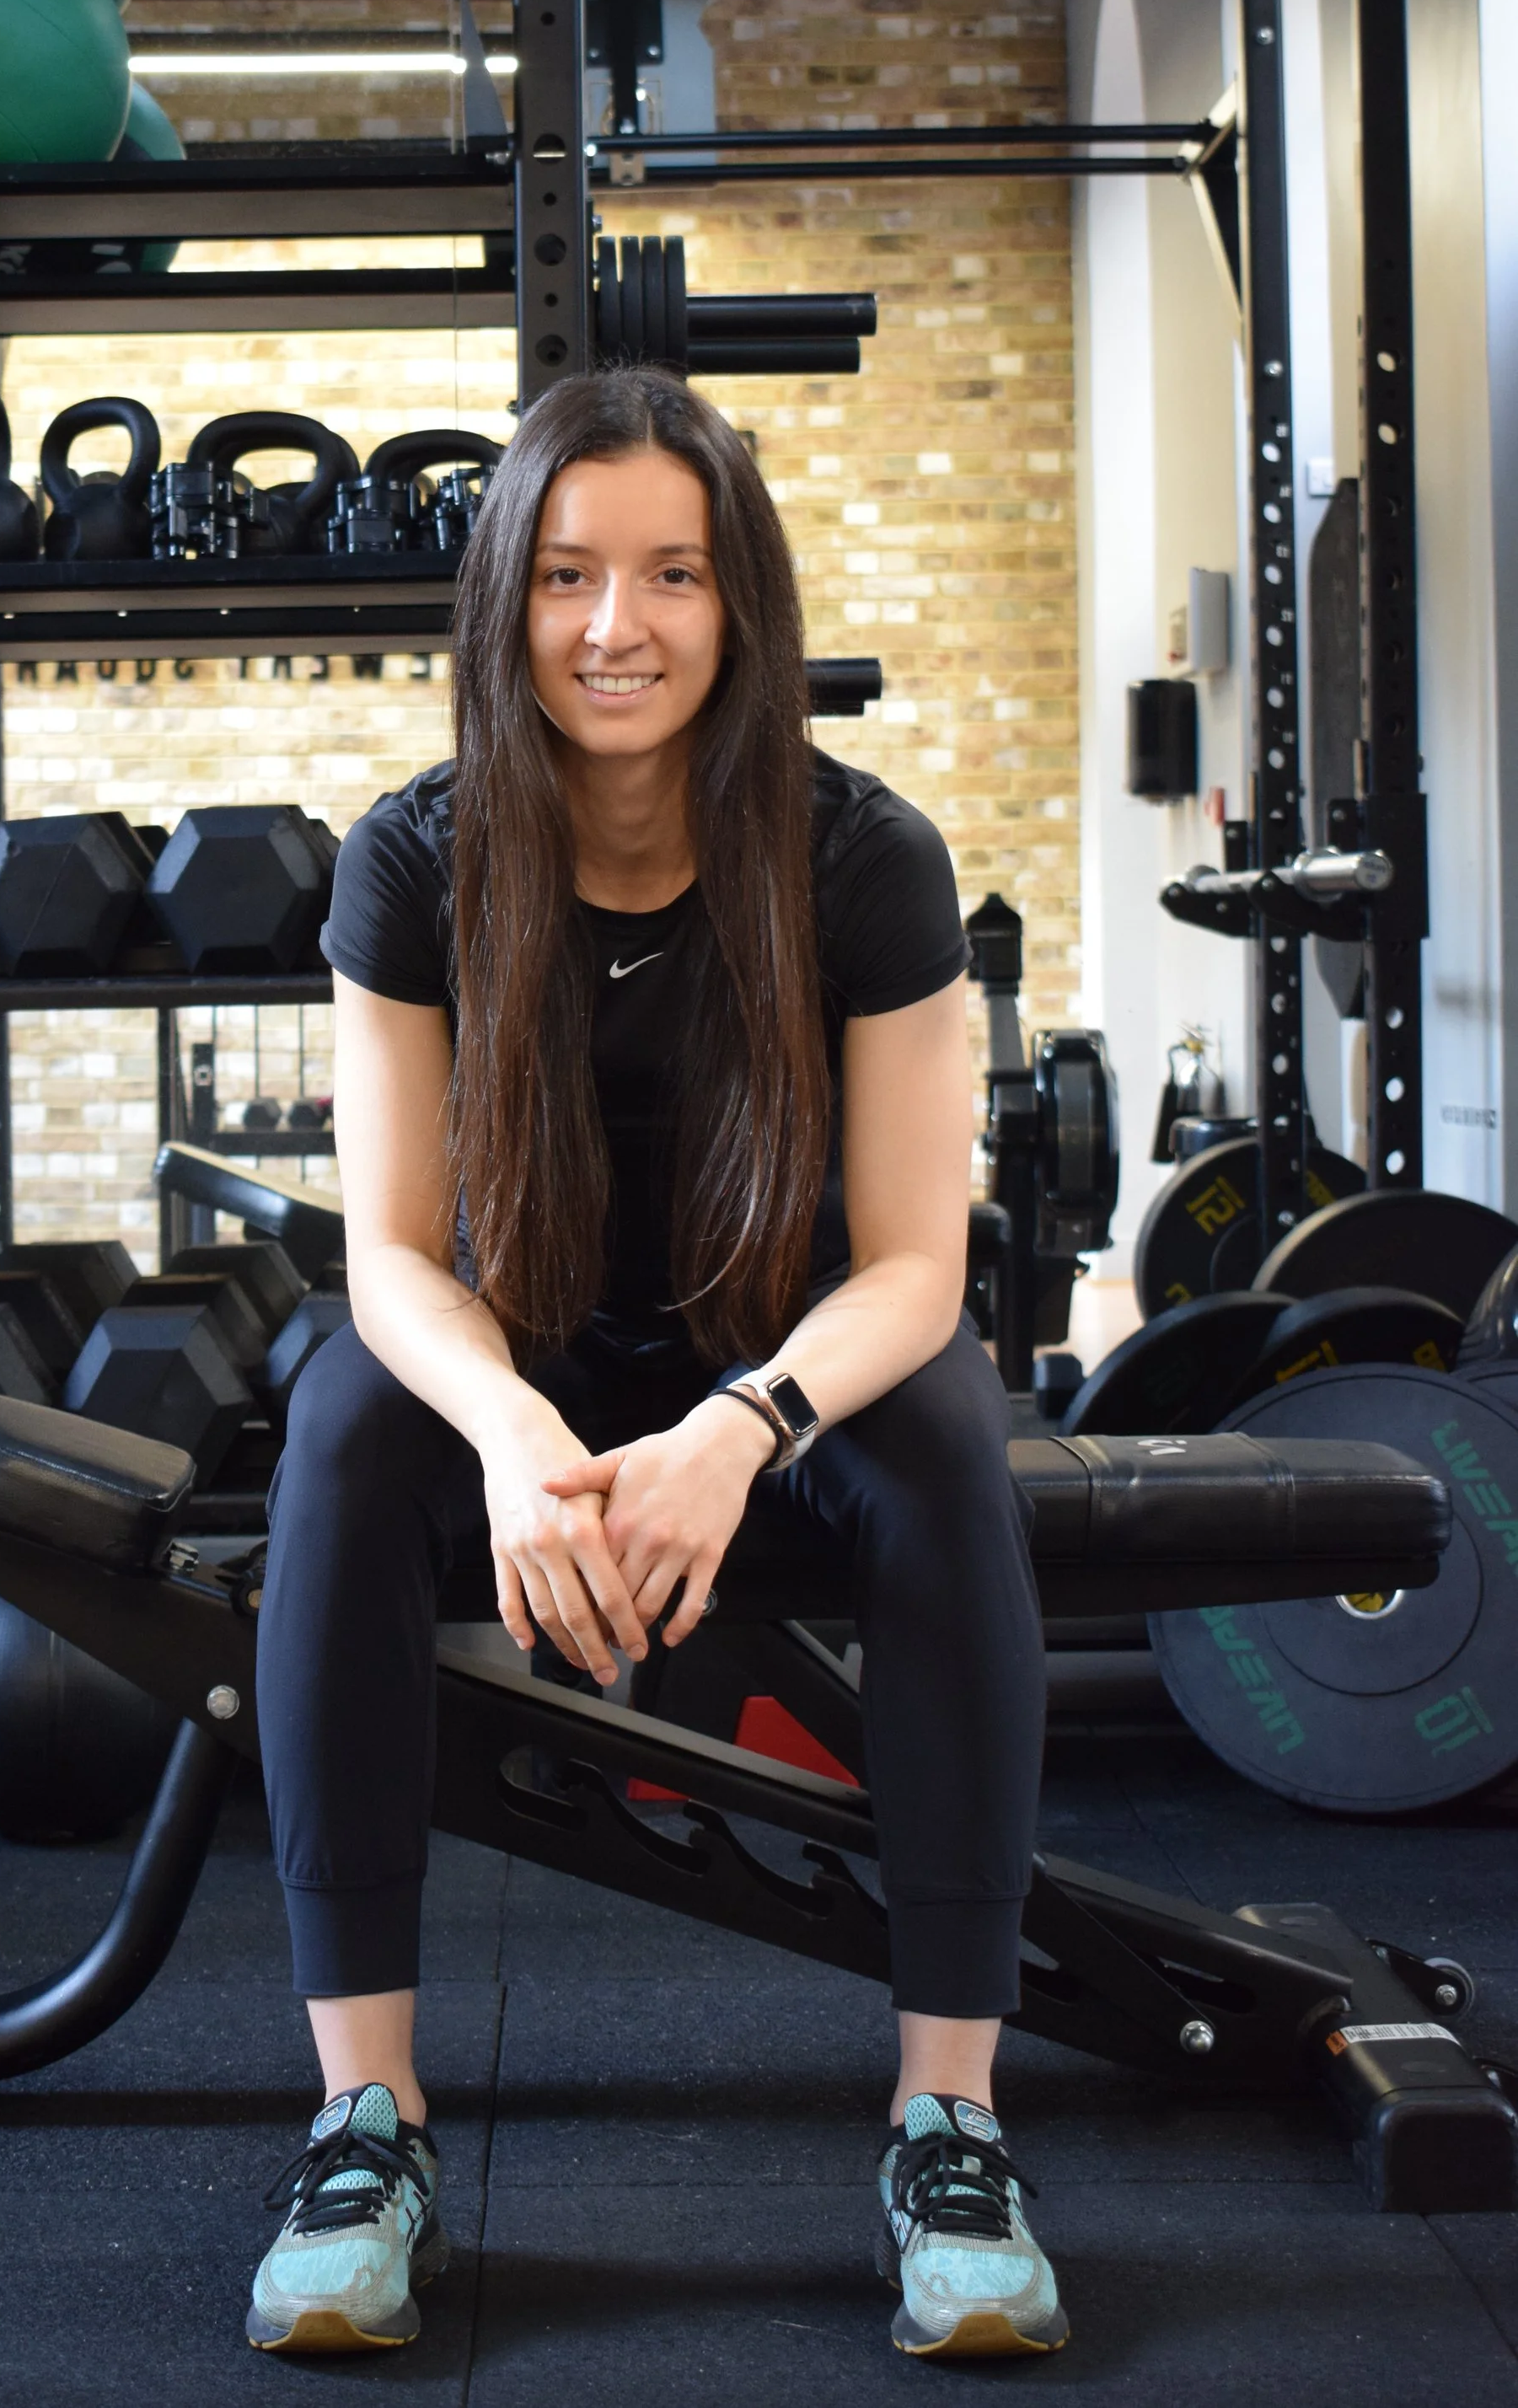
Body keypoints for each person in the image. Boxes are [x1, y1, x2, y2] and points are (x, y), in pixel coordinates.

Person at [244, 367, 1062, 2363]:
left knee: (949, 1445)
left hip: (778, 1357)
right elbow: (393, 1261)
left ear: (738, 601)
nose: (615, 626)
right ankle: (366, 2122)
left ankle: (946, 2121)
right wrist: (520, 1441)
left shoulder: (862, 863)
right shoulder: (416, 863)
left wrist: (742, 1422)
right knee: (344, 1433)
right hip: (513, 1349)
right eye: (566, 575)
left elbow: (909, 1267)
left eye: (672, 574)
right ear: (503, 606)